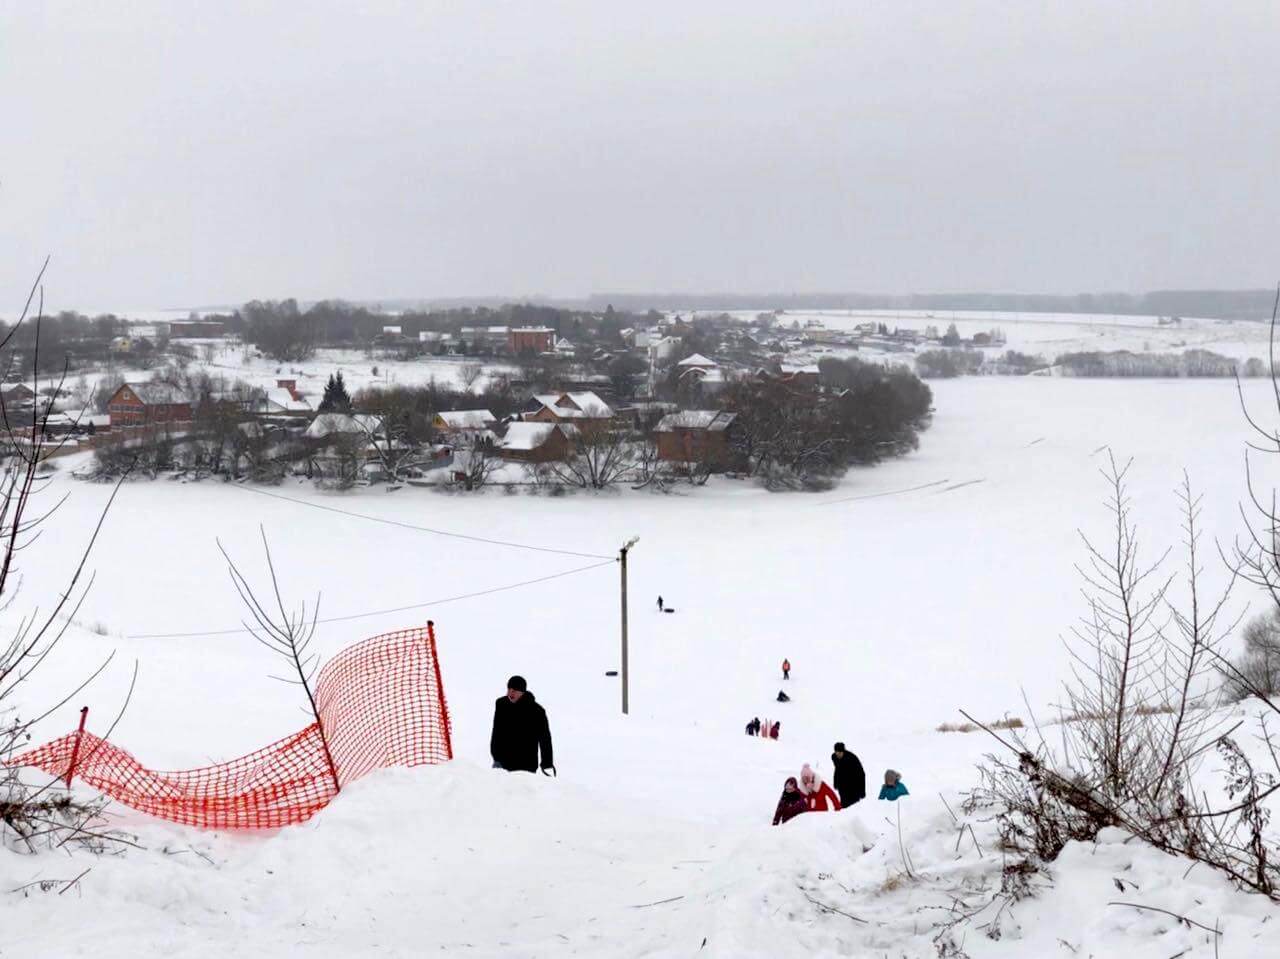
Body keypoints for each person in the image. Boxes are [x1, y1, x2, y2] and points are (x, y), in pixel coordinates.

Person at [490, 675, 555, 774]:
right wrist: (496, 758)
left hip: (526, 766)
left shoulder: (537, 711)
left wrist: (547, 763)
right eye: (509, 689)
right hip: (502, 764)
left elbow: (545, 739)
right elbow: (496, 732)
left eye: (514, 691)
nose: (510, 693)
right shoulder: (501, 704)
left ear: (522, 692)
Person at [831, 742, 867, 808]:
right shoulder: (835, 758)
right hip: (842, 787)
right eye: (837, 752)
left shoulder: (852, 759)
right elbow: (838, 770)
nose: (838, 755)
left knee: (853, 808)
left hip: (854, 787)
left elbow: (861, 774)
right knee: (844, 807)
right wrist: (836, 782)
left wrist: (862, 791)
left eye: (840, 753)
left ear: (843, 751)